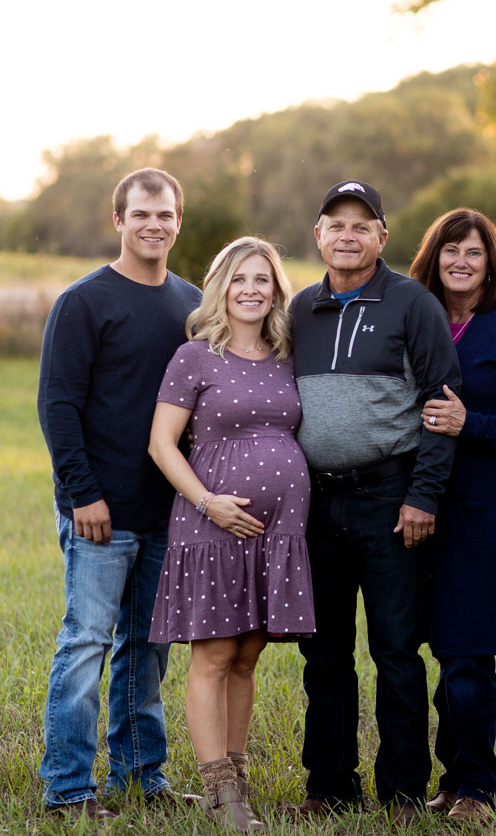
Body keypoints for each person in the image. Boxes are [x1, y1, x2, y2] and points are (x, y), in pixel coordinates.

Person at [287, 181, 462, 823]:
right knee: (324, 653)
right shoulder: (300, 309)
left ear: (382, 237)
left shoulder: (412, 303)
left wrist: (423, 496)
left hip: (391, 500)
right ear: (319, 234)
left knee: (395, 651)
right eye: (336, 224)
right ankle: (328, 785)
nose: (348, 236)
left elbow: (443, 409)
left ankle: (402, 791)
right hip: (317, 508)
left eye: (362, 225)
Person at [36, 168, 202, 819]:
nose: (153, 225)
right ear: (119, 221)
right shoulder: (84, 302)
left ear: (178, 222)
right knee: (85, 644)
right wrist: (82, 494)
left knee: (148, 649)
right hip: (99, 512)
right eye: (141, 215)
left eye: (164, 215)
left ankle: (139, 777)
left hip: (166, 511)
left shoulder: (189, 304)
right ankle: (69, 788)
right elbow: (58, 405)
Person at [147, 236, 313, 830]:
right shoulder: (195, 356)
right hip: (210, 521)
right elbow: (161, 443)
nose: (250, 290)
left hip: (277, 532)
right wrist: (208, 502)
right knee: (215, 653)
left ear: (275, 291)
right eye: (239, 279)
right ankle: (221, 794)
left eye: (262, 280)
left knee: (248, 653)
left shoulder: (286, 353)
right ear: (221, 286)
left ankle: (237, 779)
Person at [407, 208, 496, 825]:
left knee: (469, 650)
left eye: (474, 252)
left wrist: (473, 424)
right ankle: (449, 775)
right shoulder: (418, 321)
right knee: (440, 646)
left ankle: (476, 786)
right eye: (450, 250)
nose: (461, 262)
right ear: (433, 258)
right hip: (420, 503)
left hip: (489, 510)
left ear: (492, 262)